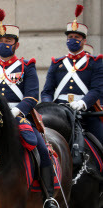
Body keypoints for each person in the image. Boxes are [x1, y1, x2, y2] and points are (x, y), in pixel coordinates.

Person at [0, 9, 61, 208]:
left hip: (19, 116)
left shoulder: (27, 67)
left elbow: (32, 95)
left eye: (7, 40)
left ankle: (49, 197)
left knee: (40, 147)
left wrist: (17, 110)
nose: (2, 43)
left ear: (16, 44)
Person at [41, 4, 103, 146]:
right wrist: (49, 105)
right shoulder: (57, 63)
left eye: (76, 37)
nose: (72, 40)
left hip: (85, 113)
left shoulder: (95, 63)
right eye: (70, 37)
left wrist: (82, 103)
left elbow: (96, 90)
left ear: (84, 41)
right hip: (59, 112)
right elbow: (47, 91)